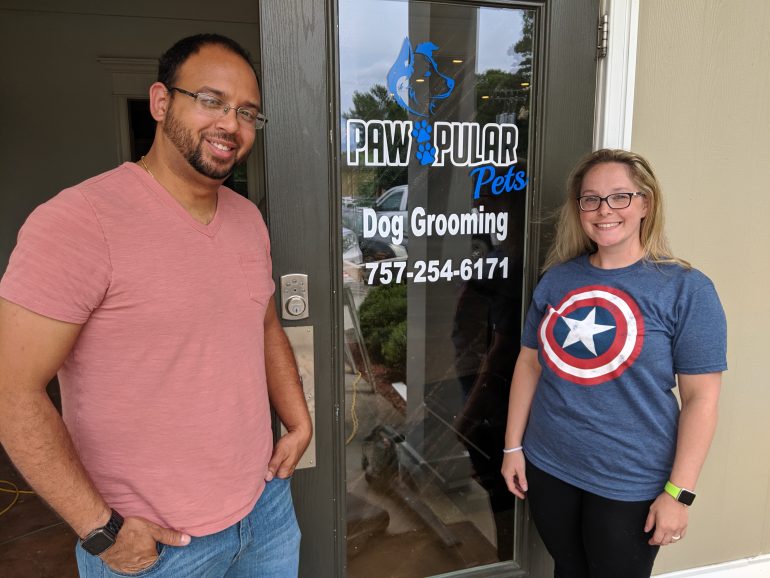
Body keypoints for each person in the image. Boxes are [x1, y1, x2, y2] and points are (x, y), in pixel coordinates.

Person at [0, 34, 312, 577]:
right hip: (154, 543)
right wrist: (101, 531)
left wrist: (297, 421)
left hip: (265, 511)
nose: (230, 124)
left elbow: (263, 324)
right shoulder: (79, 222)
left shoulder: (247, 219)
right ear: (161, 102)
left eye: (246, 112)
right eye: (211, 100)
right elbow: (11, 390)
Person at [501, 149, 726, 578]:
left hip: (630, 479)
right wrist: (513, 447)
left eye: (620, 196)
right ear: (579, 208)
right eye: (591, 199)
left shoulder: (686, 289)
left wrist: (679, 494)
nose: (604, 210)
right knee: (568, 569)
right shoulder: (559, 279)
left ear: (646, 203)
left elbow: (702, 399)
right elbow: (529, 364)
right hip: (549, 465)